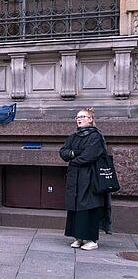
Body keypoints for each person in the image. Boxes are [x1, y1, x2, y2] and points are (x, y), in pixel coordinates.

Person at [59, 108, 106, 251]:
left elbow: (89, 156)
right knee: (75, 206)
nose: (79, 119)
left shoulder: (95, 136)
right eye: (77, 117)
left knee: (88, 207)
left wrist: (73, 157)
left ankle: (91, 239)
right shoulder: (73, 136)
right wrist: (75, 153)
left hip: (90, 177)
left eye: (83, 116)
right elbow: (63, 151)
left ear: (90, 119)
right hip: (75, 177)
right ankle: (78, 237)